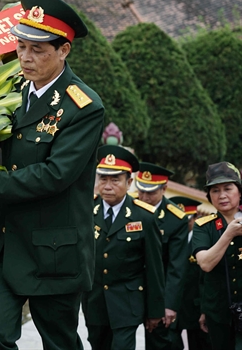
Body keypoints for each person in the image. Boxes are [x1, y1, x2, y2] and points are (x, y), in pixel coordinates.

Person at [0, 0, 105, 350]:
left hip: (54, 249)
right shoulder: (8, 91)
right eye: (21, 47)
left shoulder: (84, 106)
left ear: (63, 50)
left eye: (38, 50)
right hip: (8, 239)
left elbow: (55, 175)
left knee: (59, 342)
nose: (26, 58)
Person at [82, 145, 165, 350]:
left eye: (115, 179)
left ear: (129, 183)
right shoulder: (85, 211)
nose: (108, 186)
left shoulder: (143, 216)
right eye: (103, 178)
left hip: (128, 303)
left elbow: (154, 267)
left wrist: (155, 311)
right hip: (94, 302)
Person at [135, 163, 189, 350]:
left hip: (159, 293)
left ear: (164, 188)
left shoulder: (176, 219)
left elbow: (177, 266)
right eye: (141, 190)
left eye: (150, 192)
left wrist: (169, 305)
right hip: (129, 290)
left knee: (162, 342)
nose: (144, 197)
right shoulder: (129, 208)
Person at [192, 162, 242, 349]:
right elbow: (205, 264)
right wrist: (228, 234)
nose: (222, 195)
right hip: (218, 314)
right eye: (215, 190)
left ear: (239, 191)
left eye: (228, 188)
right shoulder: (203, 226)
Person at [172, 196, 212, 350]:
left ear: (194, 218)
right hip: (173, 309)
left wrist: (204, 310)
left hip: (196, 309)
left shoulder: (203, 240)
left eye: (187, 220)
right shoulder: (171, 240)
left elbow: (207, 278)